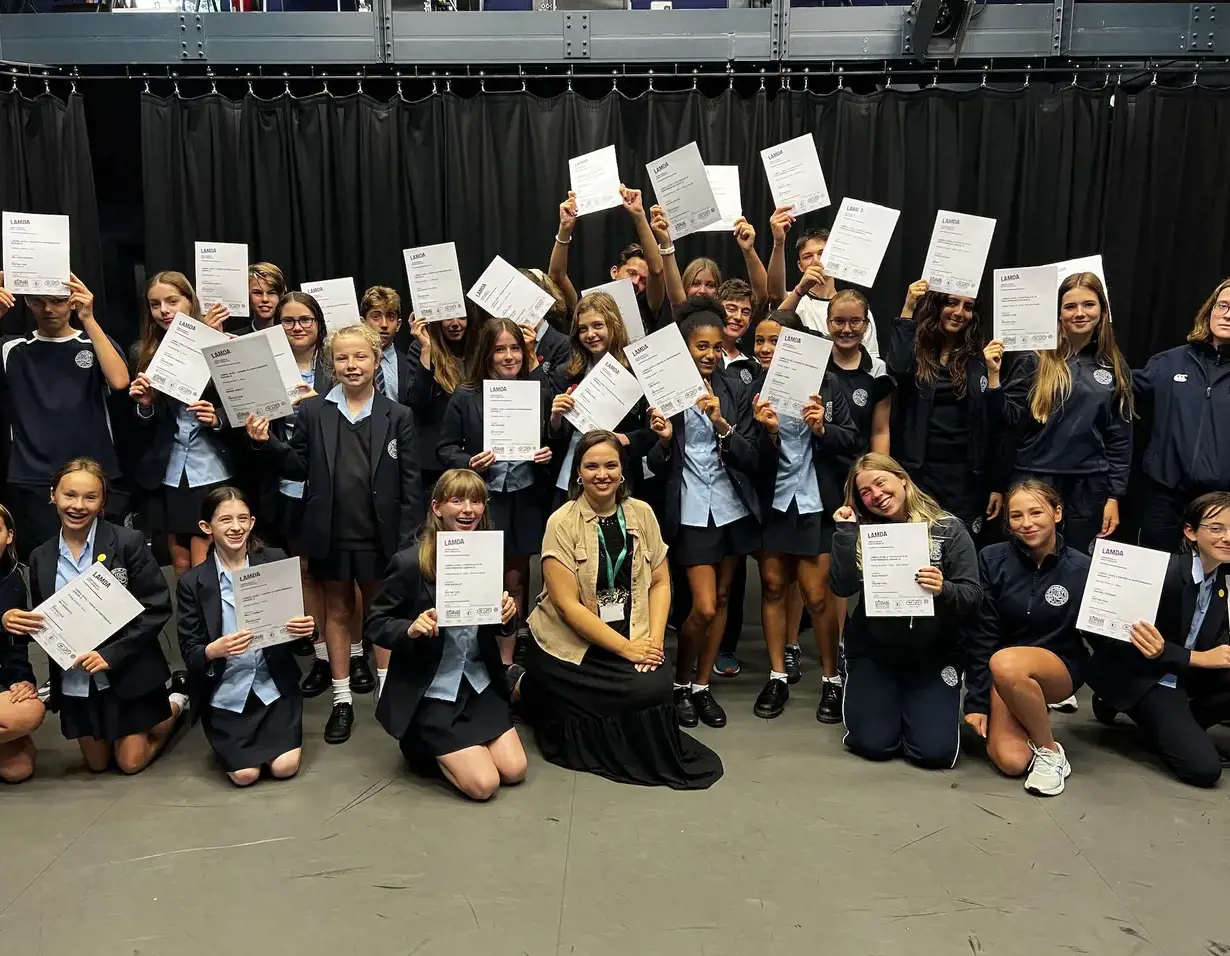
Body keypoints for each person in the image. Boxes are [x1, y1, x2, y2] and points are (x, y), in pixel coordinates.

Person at [246, 324, 422, 744]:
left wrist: (408, 542)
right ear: (331, 364)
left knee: (382, 612)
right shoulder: (313, 412)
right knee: (338, 613)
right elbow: (297, 467)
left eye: (360, 356)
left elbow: (411, 485)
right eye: (342, 358)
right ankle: (342, 699)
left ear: (376, 361)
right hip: (330, 534)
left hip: (381, 537)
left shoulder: (398, 415)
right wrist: (266, 443)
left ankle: (387, 690)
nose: (351, 365)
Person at [519, 430, 722, 789]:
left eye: (610, 465)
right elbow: (566, 605)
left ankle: (537, 691)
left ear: (622, 470)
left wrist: (653, 642)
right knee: (639, 691)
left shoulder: (642, 513)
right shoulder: (561, 522)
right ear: (578, 473)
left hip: (632, 630)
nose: (602, 474)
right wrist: (627, 650)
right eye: (592, 466)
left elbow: (660, 582)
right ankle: (528, 688)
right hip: (572, 643)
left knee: (655, 686)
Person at [3, 458, 187, 774]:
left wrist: (111, 654)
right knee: (97, 765)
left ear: (103, 502)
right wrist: (11, 620)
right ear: (53, 496)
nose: (78, 505)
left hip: (128, 671)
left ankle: (176, 704)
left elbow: (157, 606)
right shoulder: (41, 557)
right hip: (77, 678)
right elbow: (48, 621)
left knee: (129, 763)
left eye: (90, 497)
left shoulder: (127, 542)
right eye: (69, 495)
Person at [646, 301, 773, 729]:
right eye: (702, 346)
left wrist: (722, 424)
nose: (710, 355)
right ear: (685, 347)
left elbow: (753, 457)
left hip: (731, 508)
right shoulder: (664, 391)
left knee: (721, 600)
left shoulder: (734, 390)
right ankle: (681, 683)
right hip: (691, 510)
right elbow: (652, 465)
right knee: (701, 606)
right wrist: (664, 441)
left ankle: (701, 687)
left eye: (717, 348)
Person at [365, 469, 527, 800]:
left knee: (515, 770)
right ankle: (421, 744)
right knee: (484, 785)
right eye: (457, 500)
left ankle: (464, 748)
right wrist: (410, 628)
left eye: (476, 501)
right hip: (431, 688)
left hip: (478, 681)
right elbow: (375, 622)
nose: (468, 509)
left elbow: (494, 627)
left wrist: (506, 617)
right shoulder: (409, 563)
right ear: (437, 507)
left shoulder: (487, 557)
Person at [830, 453, 981, 769]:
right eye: (865, 492)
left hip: (933, 654)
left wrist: (944, 588)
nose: (876, 495)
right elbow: (842, 587)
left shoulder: (948, 529)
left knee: (933, 753)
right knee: (875, 744)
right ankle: (881, 701)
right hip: (875, 653)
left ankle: (914, 706)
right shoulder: (864, 532)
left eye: (880, 483)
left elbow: (972, 597)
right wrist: (845, 532)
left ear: (902, 479)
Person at [750, 312, 859, 720]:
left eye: (775, 341)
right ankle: (777, 675)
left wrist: (822, 428)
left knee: (815, 595)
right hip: (774, 504)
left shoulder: (828, 385)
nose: (766, 349)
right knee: (773, 586)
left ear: (796, 346)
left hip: (817, 504)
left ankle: (832, 679)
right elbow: (747, 457)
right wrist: (769, 433)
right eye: (760, 341)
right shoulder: (754, 388)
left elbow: (852, 441)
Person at [1086, 491, 1230, 788]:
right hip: (1145, 674)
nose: (1227, 538)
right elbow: (1104, 634)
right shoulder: (1161, 573)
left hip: (1182, 673)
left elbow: (1216, 637)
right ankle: (1120, 703)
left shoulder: (1220, 580)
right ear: (1190, 532)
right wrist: (1189, 657)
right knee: (1204, 770)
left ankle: (1173, 728)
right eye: (1216, 528)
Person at [985, 272, 1133, 556]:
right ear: (1058, 313)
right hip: (1035, 478)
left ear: (1102, 310)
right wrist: (993, 377)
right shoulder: (1034, 359)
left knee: (1077, 561)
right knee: (1028, 558)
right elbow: (1006, 423)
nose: (1080, 313)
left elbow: (1120, 438)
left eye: (1088, 304)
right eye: (1070, 306)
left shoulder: (1113, 365)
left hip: (1088, 485)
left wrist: (1114, 495)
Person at [176, 486, 314, 786]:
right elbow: (189, 650)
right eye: (225, 520)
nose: (236, 527)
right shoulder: (192, 582)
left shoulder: (274, 560)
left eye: (242, 519)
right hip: (227, 690)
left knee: (285, 767)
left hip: (272, 685)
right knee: (244, 775)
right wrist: (213, 650)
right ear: (207, 527)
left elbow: (293, 631)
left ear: (252, 522)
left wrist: (304, 631)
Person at [962, 480, 1091, 796]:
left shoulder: (1083, 568)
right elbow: (983, 632)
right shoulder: (991, 559)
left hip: (1059, 665)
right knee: (1012, 762)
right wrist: (977, 701)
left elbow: (1101, 638)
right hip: (1005, 672)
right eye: (1016, 516)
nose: (1027, 523)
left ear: (1057, 513)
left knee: (1006, 661)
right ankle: (1030, 709)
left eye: (1036, 512)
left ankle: (1050, 752)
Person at [437, 317, 554, 663]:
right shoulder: (466, 395)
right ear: (486, 354)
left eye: (515, 348)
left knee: (516, 578)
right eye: (499, 349)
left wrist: (546, 455)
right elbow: (444, 449)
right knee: (482, 577)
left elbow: (554, 441)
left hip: (525, 495)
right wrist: (470, 461)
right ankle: (474, 649)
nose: (508, 356)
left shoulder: (537, 392)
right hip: (483, 499)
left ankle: (509, 654)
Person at [0, 271, 131, 558]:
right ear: (27, 302)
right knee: (45, 564)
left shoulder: (92, 342)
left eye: (58, 301)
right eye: (38, 301)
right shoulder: (12, 348)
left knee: (102, 564)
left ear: (72, 300)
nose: (48, 309)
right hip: (35, 477)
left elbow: (120, 381)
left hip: (93, 472)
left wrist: (88, 318)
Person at [127, 271, 236, 577]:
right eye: (155, 304)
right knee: (181, 563)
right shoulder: (143, 351)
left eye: (172, 301)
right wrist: (144, 407)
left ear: (190, 302)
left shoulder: (222, 343)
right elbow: (139, 425)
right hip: (168, 469)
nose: (164, 310)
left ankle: (213, 610)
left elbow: (242, 403)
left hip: (212, 464)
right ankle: (189, 610)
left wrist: (218, 418)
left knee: (207, 559)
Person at [884, 281, 1003, 536]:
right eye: (952, 303)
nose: (959, 312)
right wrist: (908, 308)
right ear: (938, 305)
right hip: (919, 472)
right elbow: (896, 368)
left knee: (961, 548)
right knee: (919, 546)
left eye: (968, 307)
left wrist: (996, 483)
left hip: (966, 477)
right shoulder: (917, 349)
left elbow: (993, 424)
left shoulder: (979, 358)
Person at [258, 291, 329, 665]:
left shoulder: (335, 364)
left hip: (330, 483)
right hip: (283, 483)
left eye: (305, 320)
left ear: (318, 324)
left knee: (336, 573)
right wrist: (257, 434)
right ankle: (318, 647)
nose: (297, 327)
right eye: (288, 321)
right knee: (301, 569)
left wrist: (316, 405)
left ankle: (353, 648)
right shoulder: (262, 368)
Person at [1133, 279, 1230, 551]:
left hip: (1221, 505)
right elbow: (1117, 385)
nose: (1228, 315)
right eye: (1223, 305)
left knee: (1212, 575)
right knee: (1155, 571)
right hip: (1165, 499)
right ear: (1210, 310)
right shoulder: (1169, 362)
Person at [547, 291, 653, 502]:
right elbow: (554, 438)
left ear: (613, 325)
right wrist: (556, 418)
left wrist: (624, 439)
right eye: (583, 329)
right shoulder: (565, 373)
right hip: (570, 478)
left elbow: (653, 434)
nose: (590, 334)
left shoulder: (638, 373)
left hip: (620, 479)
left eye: (597, 326)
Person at [548, 186, 667, 331]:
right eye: (631, 273)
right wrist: (565, 229)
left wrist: (638, 214)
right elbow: (557, 276)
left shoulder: (647, 308)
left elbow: (657, 270)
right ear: (614, 272)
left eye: (643, 281)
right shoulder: (586, 306)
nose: (636, 282)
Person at [770, 224, 880, 358]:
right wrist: (779, 243)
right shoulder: (793, 299)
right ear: (800, 266)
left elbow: (872, 360)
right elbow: (772, 326)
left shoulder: (857, 306)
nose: (816, 261)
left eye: (822, 253)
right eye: (807, 256)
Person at [406, 309, 476, 498]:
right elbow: (417, 402)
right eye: (448, 317)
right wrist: (426, 349)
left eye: (462, 317)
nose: (455, 323)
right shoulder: (420, 348)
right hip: (433, 465)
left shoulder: (477, 350)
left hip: (472, 460)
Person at [0, 504, 43, 783]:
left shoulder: (12, 580)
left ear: (9, 536)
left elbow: (16, 646)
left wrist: (21, 679)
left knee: (19, 770)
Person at [361, 285, 413, 405]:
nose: (384, 324)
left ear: (398, 325)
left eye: (390, 317)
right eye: (376, 317)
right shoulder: (352, 363)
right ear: (363, 323)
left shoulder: (408, 365)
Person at [242, 262, 286, 335]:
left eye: (271, 293)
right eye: (257, 293)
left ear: (280, 296)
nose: (265, 299)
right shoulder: (235, 338)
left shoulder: (291, 337)